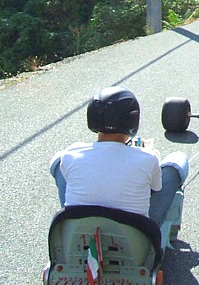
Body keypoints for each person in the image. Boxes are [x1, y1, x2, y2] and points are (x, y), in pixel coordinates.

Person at [49, 86, 189, 226]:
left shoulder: (71, 153)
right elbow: (157, 188)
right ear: (133, 119)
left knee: (58, 161)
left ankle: (67, 223)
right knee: (177, 160)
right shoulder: (148, 158)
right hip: (135, 239)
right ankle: (166, 229)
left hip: (79, 237)